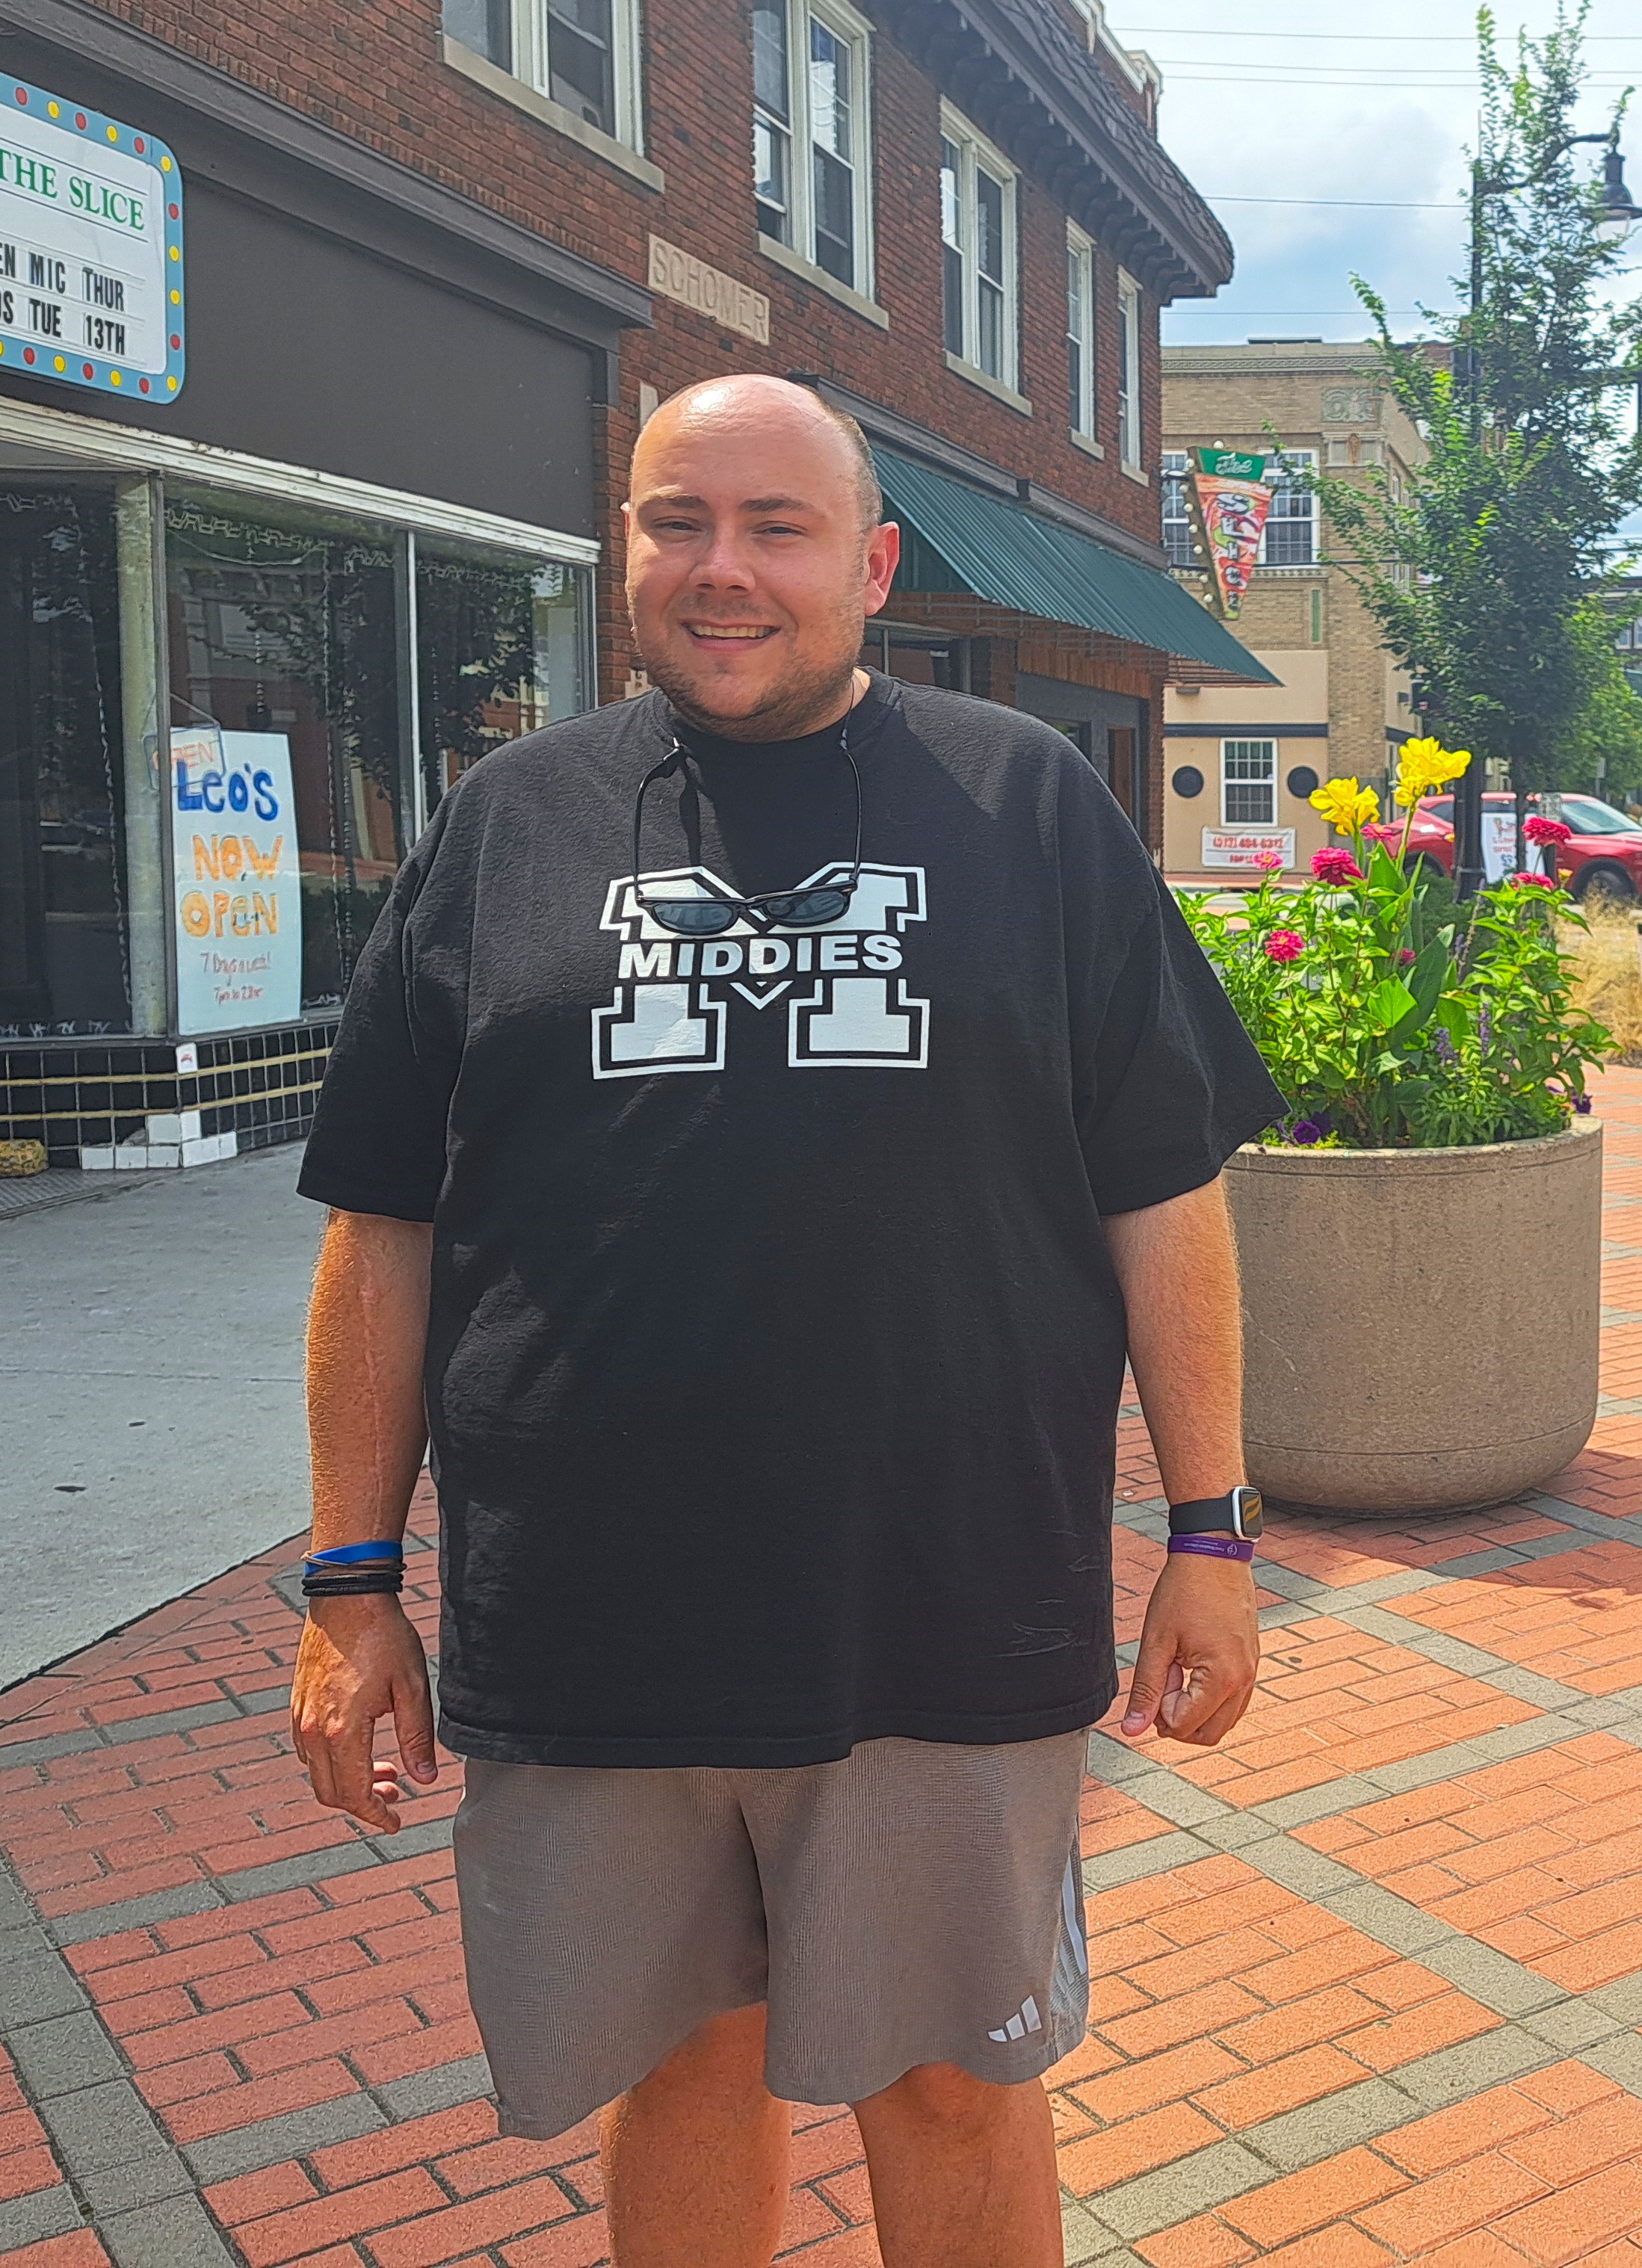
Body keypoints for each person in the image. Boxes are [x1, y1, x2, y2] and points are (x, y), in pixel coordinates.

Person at [286, 374, 1283, 2268]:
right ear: (626, 550)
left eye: (775, 527)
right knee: (679, 2074)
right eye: (676, 522)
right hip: (594, 1617)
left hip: (941, 1598)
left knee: (951, 2087)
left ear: (876, 564)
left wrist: (1211, 1534)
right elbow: (385, 1226)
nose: (718, 569)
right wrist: (349, 1585)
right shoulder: (508, 822)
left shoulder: (1026, 806)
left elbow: (1163, 1194)